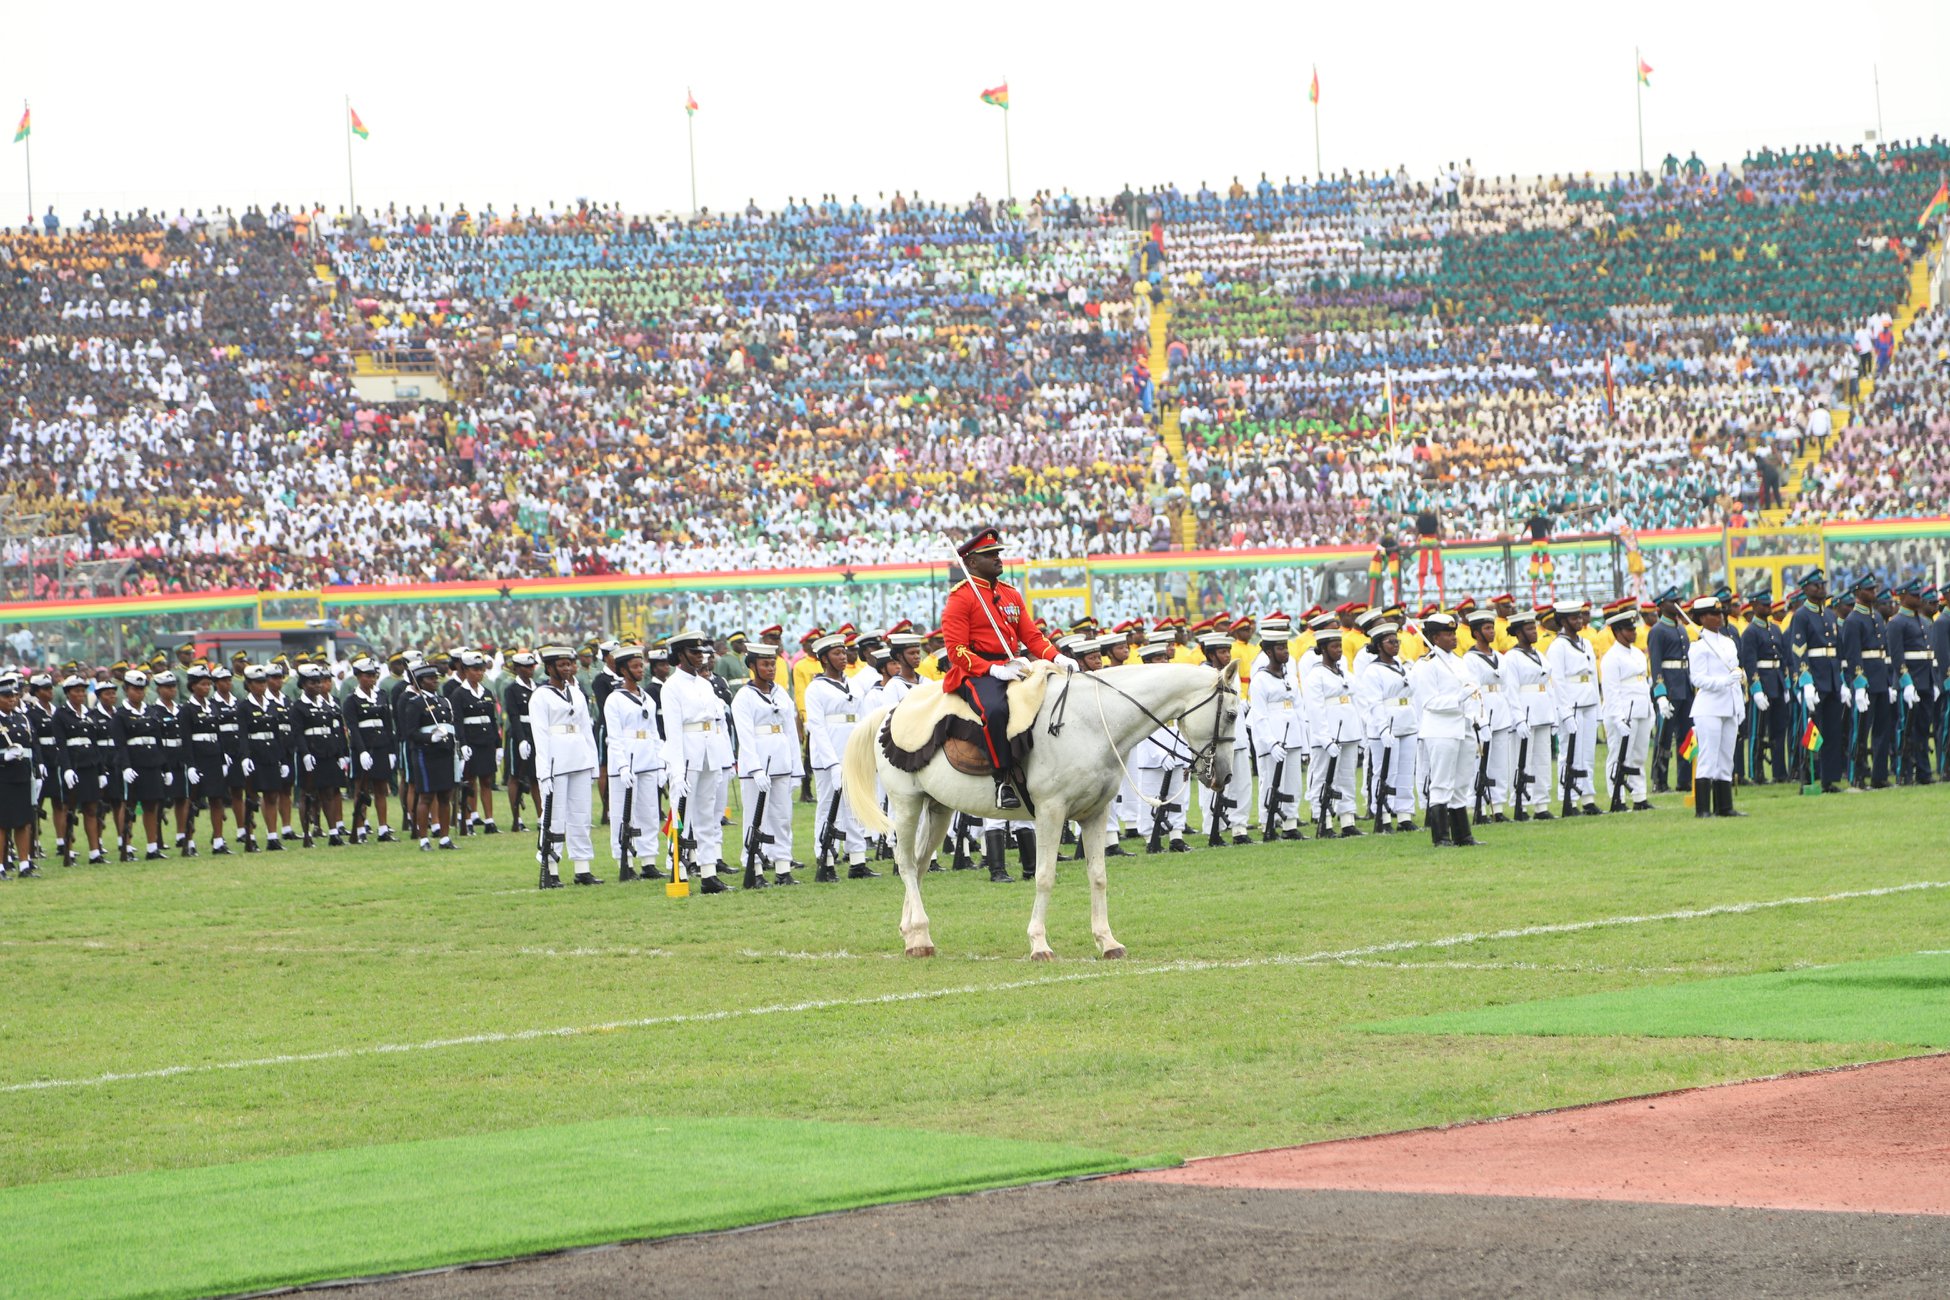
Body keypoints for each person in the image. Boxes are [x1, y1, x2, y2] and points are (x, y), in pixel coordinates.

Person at [937, 526, 1076, 809]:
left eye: (998, 553)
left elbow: (1032, 636)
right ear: (972, 562)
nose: (998, 558)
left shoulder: (1010, 594)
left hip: (1015, 664)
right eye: (990, 555)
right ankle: (1003, 779)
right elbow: (956, 651)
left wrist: (1056, 657)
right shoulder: (961, 597)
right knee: (996, 710)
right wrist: (992, 670)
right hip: (976, 671)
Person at [660, 628, 738, 893]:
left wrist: (724, 758)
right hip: (687, 755)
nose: (700, 657)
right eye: (694, 652)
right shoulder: (671, 687)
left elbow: (716, 722)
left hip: (709, 753)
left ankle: (708, 872)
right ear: (680, 654)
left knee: (707, 815)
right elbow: (672, 732)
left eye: (702, 652)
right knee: (680, 817)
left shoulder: (705, 684)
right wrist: (677, 771)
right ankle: (677, 869)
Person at [802, 631, 878, 881]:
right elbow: (817, 727)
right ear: (824, 658)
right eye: (837, 653)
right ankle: (825, 857)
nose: (843, 657)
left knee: (855, 807)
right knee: (828, 808)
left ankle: (857, 859)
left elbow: (863, 721)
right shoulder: (815, 688)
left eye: (844, 652)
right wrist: (832, 763)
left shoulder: (853, 685)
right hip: (829, 758)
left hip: (852, 754)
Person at [731, 643, 802, 887]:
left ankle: (783, 867)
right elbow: (745, 736)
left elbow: (790, 731)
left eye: (773, 664)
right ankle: (755, 868)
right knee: (755, 819)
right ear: (752, 666)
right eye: (765, 664)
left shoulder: (780, 693)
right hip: (758, 766)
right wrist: (755, 768)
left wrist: (796, 769)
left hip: (781, 762)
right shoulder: (743, 697)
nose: (771, 668)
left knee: (782, 818)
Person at [529, 646, 600, 887]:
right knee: (554, 817)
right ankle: (551, 867)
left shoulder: (576, 693)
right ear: (549, 668)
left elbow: (586, 729)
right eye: (561, 665)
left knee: (581, 815)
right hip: (555, 760)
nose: (567, 668)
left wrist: (593, 762)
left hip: (579, 757)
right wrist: (544, 772)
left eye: (569, 664)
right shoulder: (540, 696)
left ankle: (582, 867)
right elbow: (540, 735)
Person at [1413, 613, 1483, 846]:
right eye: (1448, 634)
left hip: (1463, 726)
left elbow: (1472, 693)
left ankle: (1463, 835)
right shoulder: (1426, 665)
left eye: (1454, 633)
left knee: (1462, 782)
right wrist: (1458, 698)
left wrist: (1477, 718)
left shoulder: (1459, 662)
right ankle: (1441, 836)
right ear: (1435, 638)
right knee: (1441, 782)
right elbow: (1429, 702)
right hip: (1441, 728)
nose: (1454, 637)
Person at [601, 645, 666, 883]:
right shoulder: (614, 699)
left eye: (641, 665)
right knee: (623, 813)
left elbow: (654, 732)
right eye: (635, 666)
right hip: (626, 760)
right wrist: (621, 766)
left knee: (649, 812)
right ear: (623, 670)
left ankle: (649, 861)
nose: (641, 670)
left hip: (647, 758)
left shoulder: (647, 697)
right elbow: (614, 736)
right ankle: (625, 861)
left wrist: (661, 763)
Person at [1788, 568, 1848, 793]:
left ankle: (1828, 779)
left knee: (1832, 731)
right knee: (1811, 730)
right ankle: (1807, 777)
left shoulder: (1830, 615)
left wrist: (1842, 681)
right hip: (1815, 679)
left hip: (1831, 679)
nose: (1821, 588)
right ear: (1805, 589)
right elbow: (1799, 650)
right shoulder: (1801, 615)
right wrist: (1806, 681)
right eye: (1816, 585)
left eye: (1823, 584)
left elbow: (1837, 651)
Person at [1355, 621, 1418, 833]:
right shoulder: (1373, 671)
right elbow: (1373, 702)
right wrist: (1382, 728)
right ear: (1379, 645)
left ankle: (1404, 815)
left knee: (1405, 772)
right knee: (1385, 772)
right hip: (1386, 724)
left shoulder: (1401, 665)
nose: (1395, 645)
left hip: (1406, 722)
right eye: (1390, 642)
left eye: (1396, 641)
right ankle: (1382, 814)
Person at [1688, 595, 1748, 817]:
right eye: (1714, 614)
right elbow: (1697, 679)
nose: (1719, 617)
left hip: (1729, 705)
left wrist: (1739, 704)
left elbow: (1735, 672)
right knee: (1708, 756)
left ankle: (1724, 806)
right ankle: (1703, 809)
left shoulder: (1728, 642)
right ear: (1702, 618)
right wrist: (1724, 681)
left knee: (1726, 757)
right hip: (1709, 707)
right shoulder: (1698, 646)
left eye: (1720, 613)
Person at [1302, 626, 1362, 837]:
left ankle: (1347, 820)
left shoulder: (1343, 673)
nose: (1339, 650)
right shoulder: (1315, 676)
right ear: (1323, 649)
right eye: (1334, 647)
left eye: (1340, 646)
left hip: (1349, 733)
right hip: (1328, 736)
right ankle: (1323, 820)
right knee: (1322, 778)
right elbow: (1315, 710)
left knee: (1347, 778)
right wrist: (1324, 738)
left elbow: (1355, 697)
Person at [1545, 600, 1602, 815]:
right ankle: (1569, 797)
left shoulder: (1585, 642)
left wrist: (1598, 707)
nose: (1579, 620)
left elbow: (1593, 676)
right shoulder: (1558, 646)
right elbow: (1557, 681)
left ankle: (1587, 797)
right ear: (1562, 621)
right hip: (1572, 703)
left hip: (1588, 700)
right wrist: (1564, 711)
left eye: (1580, 616)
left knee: (1587, 753)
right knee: (1569, 752)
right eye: (1574, 617)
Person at [398, 661, 460, 852]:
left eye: (436, 678)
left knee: (445, 796)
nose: (435, 681)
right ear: (420, 681)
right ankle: (424, 838)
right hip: (426, 755)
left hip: (445, 753)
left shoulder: (444, 701)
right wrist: (430, 738)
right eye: (430, 678)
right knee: (426, 797)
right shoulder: (415, 703)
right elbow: (410, 732)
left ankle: (444, 838)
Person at [1598, 605, 1655, 811]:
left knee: (1639, 754)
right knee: (1619, 755)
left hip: (1641, 709)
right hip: (1623, 712)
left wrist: (1650, 709)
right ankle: (1617, 797)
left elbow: (1643, 684)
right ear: (1617, 632)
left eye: (1634, 629)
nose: (1634, 633)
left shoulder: (1637, 654)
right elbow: (1611, 691)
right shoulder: (1611, 658)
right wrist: (1617, 717)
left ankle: (1639, 796)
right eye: (1629, 630)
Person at [112, 670, 172, 859]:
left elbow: (159, 741)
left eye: (141, 689)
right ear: (126, 690)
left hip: (151, 763)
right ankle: (126, 846)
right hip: (133, 764)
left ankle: (152, 847)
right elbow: (120, 744)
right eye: (135, 689)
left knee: (151, 805)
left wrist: (166, 768)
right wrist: (125, 766)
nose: (139, 692)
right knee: (128, 805)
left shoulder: (151, 712)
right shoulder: (120, 715)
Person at [1461, 609, 1514, 821]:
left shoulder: (1500, 657)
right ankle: (1478, 806)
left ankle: (1497, 807)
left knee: (1500, 763)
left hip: (1500, 711)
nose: (1492, 631)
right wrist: (1478, 718)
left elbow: (1508, 687)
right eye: (1486, 628)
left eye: (1492, 627)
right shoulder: (1470, 659)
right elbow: (1473, 690)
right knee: (1478, 763)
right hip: (1482, 711)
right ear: (1476, 632)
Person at [293, 663, 351, 845]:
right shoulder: (298, 706)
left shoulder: (326, 705)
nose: (317, 685)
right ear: (303, 684)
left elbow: (333, 731)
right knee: (307, 794)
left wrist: (340, 754)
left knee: (329, 792)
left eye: (318, 682)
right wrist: (305, 754)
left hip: (328, 753)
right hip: (311, 754)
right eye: (312, 682)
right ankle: (307, 835)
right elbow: (298, 733)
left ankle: (333, 833)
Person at [342, 657, 398, 842]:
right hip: (363, 749)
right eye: (367, 675)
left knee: (381, 788)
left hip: (381, 746)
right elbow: (353, 728)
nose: (371, 679)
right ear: (358, 676)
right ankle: (359, 829)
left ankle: (383, 829)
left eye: (373, 675)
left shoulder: (381, 695)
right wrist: (362, 751)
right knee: (361, 789)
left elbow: (387, 725)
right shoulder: (352, 699)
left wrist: (391, 751)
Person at [1739, 589, 1791, 785]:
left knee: (1779, 730)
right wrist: (1756, 689)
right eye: (1764, 605)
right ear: (1754, 606)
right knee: (1757, 732)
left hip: (1776, 681)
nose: (1768, 607)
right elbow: (1750, 662)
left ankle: (1780, 772)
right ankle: (1756, 772)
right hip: (1763, 684)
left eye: (1769, 604)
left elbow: (1783, 659)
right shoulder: (1750, 632)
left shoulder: (1775, 629)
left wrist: (1786, 684)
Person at [1646, 588, 1694, 794]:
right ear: (1661, 605)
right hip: (1670, 688)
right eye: (1672, 602)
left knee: (1687, 735)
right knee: (1664, 737)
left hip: (1684, 687)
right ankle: (1660, 780)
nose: (1677, 605)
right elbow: (1656, 664)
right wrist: (1660, 694)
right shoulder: (1657, 631)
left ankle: (1685, 779)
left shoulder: (1681, 628)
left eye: (1678, 601)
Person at [1888, 580, 1935, 784]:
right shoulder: (1896, 623)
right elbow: (1897, 656)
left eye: (1918, 595)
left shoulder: (1924, 622)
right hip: (1910, 682)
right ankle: (1904, 771)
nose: (1918, 598)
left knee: (1923, 728)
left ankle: (1924, 771)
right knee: (1905, 728)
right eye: (1914, 595)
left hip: (1925, 680)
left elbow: (1928, 654)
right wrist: (1906, 682)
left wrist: (1934, 681)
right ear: (1903, 597)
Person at [451, 650, 502, 834]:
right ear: (465, 670)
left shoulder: (486, 692)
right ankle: (468, 820)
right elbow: (458, 722)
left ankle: (489, 820)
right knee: (470, 782)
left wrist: (498, 744)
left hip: (486, 741)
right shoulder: (459, 694)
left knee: (486, 780)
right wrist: (462, 743)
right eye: (474, 669)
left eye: (481, 669)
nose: (479, 673)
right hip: (470, 742)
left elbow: (492, 720)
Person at [0, 677, 40, 876]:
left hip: (23, 774)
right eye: (6, 696)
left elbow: (33, 745)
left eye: (14, 695)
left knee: (24, 821)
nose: (12, 699)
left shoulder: (22, 718)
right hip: (3, 776)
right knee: (2, 823)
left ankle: (25, 864)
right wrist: (3, 757)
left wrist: (38, 771)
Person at [501, 650, 540, 832]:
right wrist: (521, 740)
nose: (530, 670)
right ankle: (517, 818)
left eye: (532, 666)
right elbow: (514, 716)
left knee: (536, 776)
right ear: (516, 668)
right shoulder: (512, 689)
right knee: (515, 776)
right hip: (519, 733)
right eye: (526, 667)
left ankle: (541, 816)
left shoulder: (538, 688)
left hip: (536, 732)